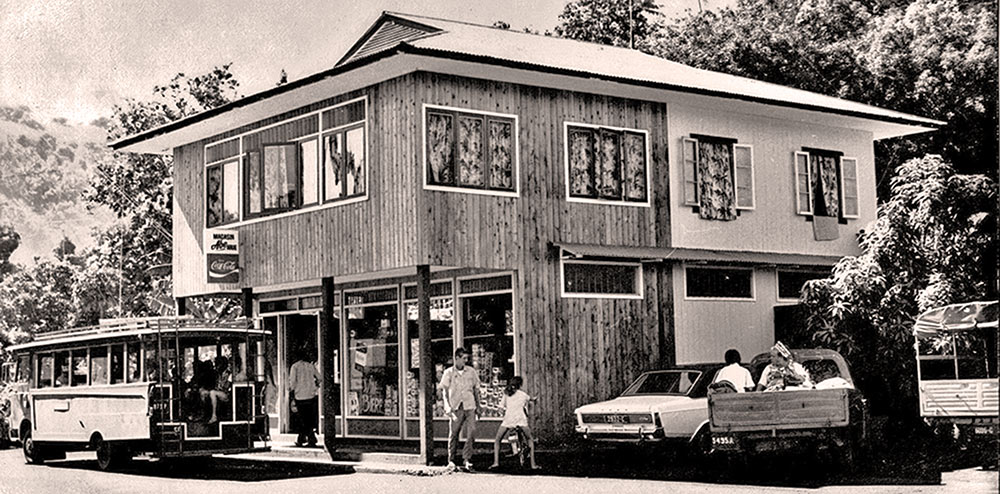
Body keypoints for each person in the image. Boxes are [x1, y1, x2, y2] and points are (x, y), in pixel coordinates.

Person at [440, 347, 480, 471]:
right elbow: (444, 391)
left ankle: (467, 459)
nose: (465, 361)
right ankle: (451, 460)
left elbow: (476, 390)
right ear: (456, 358)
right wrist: (447, 407)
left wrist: (478, 406)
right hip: (456, 406)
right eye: (463, 358)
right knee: (454, 433)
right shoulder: (449, 372)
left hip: (470, 405)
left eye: (466, 358)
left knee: (471, 431)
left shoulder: (471, 371)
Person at [490, 376, 539, 470]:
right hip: (521, 420)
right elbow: (530, 399)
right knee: (530, 439)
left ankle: (496, 462)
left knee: (497, 440)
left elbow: (501, 407)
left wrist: (503, 411)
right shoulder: (523, 394)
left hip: (508, 420)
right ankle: (533, 464)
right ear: (520, 385)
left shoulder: (506, 394)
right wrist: (534, 399)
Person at [288, 349, 320, 447]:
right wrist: (315, 387)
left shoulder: (295, 367)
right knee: (308, 418)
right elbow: (319, 378)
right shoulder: (311, 366)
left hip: (300, 396)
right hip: (310, 395)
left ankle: (307, 438)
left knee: (303, 419)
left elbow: (293, 383)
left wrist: (290, 390)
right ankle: (305, 438)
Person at [207, 355, 231, 424]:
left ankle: (214, 416)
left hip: (227, 394)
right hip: (219, 392)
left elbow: (226, 387)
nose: (215, 367)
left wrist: (218, 388)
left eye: (217, 364)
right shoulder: (218, 374)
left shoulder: (228, 373)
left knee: (212, 393)